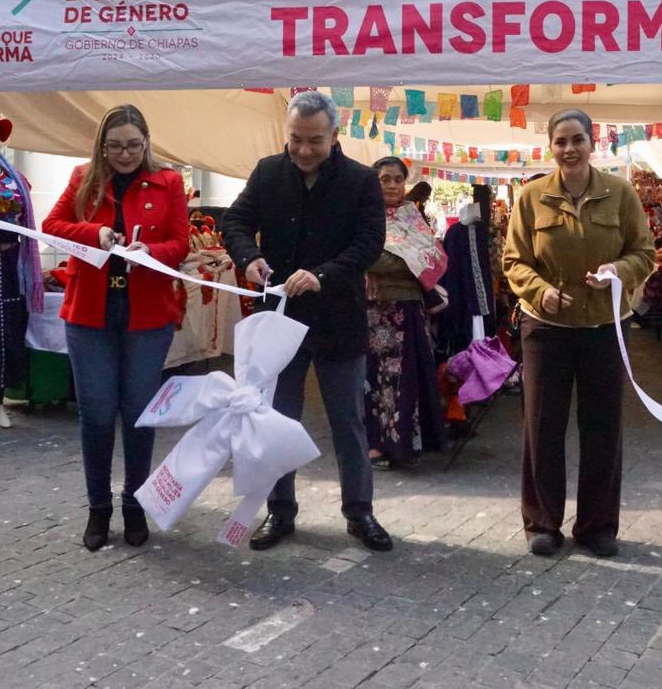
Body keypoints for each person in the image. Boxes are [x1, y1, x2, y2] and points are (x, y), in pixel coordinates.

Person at [222, 90, 391, 552]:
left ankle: (360, 513)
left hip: (339, 320)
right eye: (295, 139)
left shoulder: (360, 181)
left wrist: (322, 276)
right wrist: (250, 257)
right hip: (278, 321)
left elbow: (369, 242)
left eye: (314, 141)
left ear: (334, 135)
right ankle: (280, 512)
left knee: (348, 423)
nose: (303, 150)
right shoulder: (267, 173)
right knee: (276, 419)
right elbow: (234, 221)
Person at [503, 108, 654, 558]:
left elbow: (644, 253)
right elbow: (514, 261)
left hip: (604, 327)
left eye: (577, 140)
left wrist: (618, 270)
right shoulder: (530, 197)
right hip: (545, 328)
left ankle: (597, 525)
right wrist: (540, 290)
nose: (569, 149)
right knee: (542, 426)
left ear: (593, 143)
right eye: (561, 141)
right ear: (550, 147)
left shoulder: (621, 194)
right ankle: (542, 522)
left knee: (603, 427)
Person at [42, 105, 189, 552]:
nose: (124, 155)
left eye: (133, 145)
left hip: (147, 314)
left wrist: (151, 252)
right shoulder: (83, 177)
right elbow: (50, 226)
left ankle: (135, 505)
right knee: (98, 415)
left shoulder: (170, 182)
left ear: (147, 142)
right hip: (90, 314)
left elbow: (181, 242)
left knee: (140, 414)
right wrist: (95, 234)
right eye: (115, 146)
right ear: (101, 145)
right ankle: (98, 508)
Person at [364, 157, 447, 468]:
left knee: (406, 376)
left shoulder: (412, 215)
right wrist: (409, 264)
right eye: (385, 178)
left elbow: (434, 255)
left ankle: (405, 442)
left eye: (398, 179)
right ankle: (375, 443)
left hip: (408, 309)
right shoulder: (362, 216)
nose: (392, 184)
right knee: (374, 377)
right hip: (372, 309)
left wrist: (401, 263)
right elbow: (364, 257)